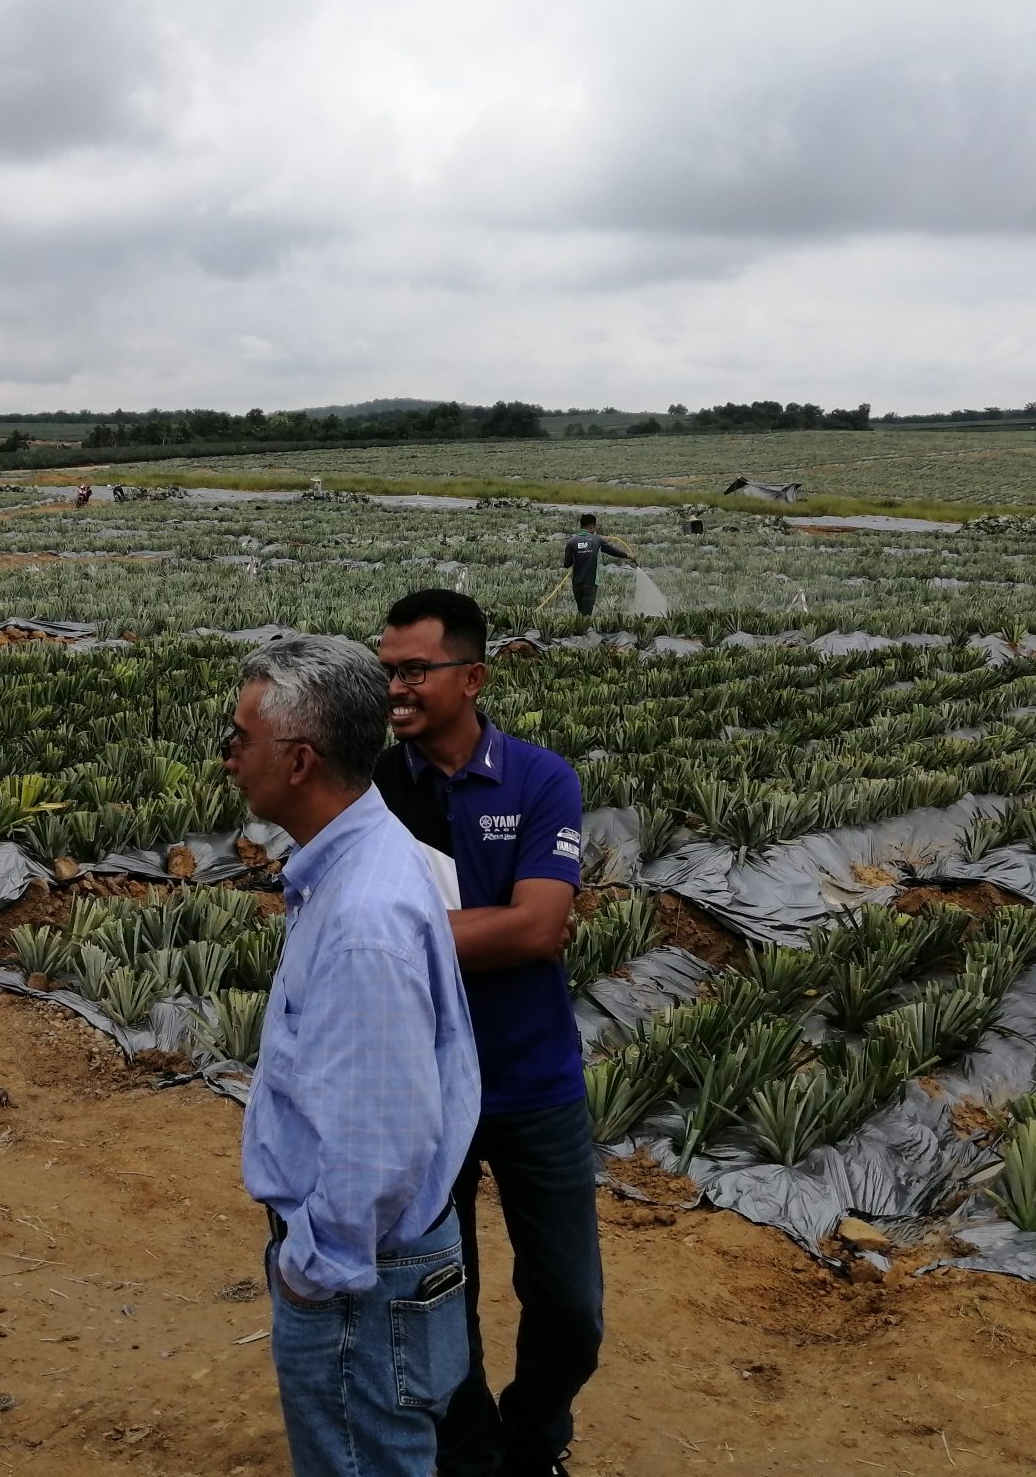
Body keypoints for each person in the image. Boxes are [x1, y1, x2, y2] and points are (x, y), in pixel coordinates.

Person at [222, 634, 480, 1477]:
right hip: (376, 1273)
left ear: (297, 762)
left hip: (358, 1285)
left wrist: (313, 1271)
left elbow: (379, 1143)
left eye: (238, 739)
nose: (228, 759)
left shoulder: (363, 919)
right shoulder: (358, 864)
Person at [373, 590, 599, 1477]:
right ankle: (472, 1457)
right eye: (387, 668)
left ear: (472, 677)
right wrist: (492, 927)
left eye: (415, 670)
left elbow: (540, 929)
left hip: (534, 1081)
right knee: (438, 1298)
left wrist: (393, 933)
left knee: (571, 1308)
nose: (397, 686)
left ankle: (536, 1436)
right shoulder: (378, 785)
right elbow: (320, 915)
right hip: (423, 1086)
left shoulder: (541, 778)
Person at [561, 514, 633, 619]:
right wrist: (628, 555)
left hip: (577, 583)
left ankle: (580, 629)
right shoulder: (597, 540)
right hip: (590, 583)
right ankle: (584, 631)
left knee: (581, 609)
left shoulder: (571, 542)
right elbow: (612, 551)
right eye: (594, 528)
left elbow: (567, 564)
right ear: (591, 526)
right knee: (586, 613)